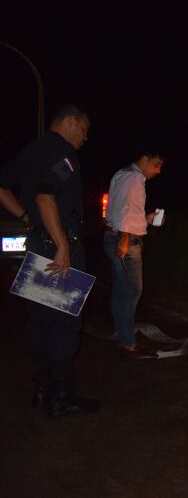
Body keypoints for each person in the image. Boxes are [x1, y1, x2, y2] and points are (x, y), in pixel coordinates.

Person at [0, 104, 100, 418]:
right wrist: (62, 246)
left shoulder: (32, 150)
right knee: (64, 326)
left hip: (37, 246)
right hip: (59, 249)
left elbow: (2, 186)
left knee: (41, 322)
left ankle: (41, 390)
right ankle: (61, 398)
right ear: (70, 122)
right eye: (84, 130)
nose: (85, 138)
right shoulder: (65, 154)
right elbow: (46, 196)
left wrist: (25, 216)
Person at [103, 149, 164, 359]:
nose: (158, 170)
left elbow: (118, 208)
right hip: (125, 240)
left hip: (114, 235)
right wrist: (125, 237)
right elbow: (123, 210)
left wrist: (145, 220)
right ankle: (128, 343)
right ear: (144, 159)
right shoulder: (136, 177)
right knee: (132, 292)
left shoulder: (121, 174)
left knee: (121, 291)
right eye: (156, 164)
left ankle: (123, 336)